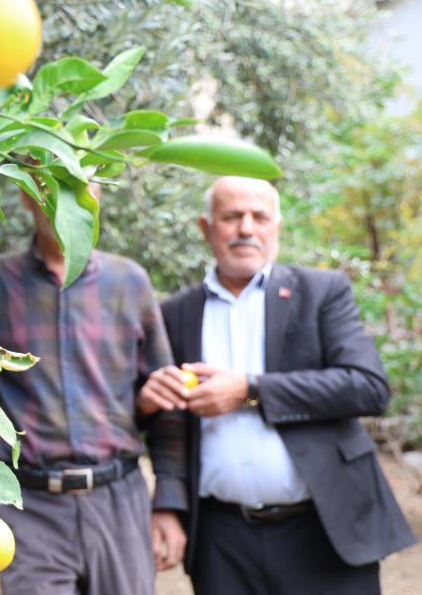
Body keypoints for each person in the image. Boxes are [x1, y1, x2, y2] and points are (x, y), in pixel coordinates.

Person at [138, 175, 416, 595]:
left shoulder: (322, 292)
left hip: (323, 530)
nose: (246, 228)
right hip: (221, 539)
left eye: (259, 217)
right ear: (206, 227)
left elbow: (367, 387)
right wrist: (169, 505)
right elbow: (169, 427)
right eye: (232, 216)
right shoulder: (176, 313)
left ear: (277, 227)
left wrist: (249, 390)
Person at [0, 183, 188, 595]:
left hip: (119, 502)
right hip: (30, 506)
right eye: (48, 184)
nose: (64, 199)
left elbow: (165, 398)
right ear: (26, 194)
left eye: (78, 186)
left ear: (97, 196)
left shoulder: (129, 282)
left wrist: (169, 502)